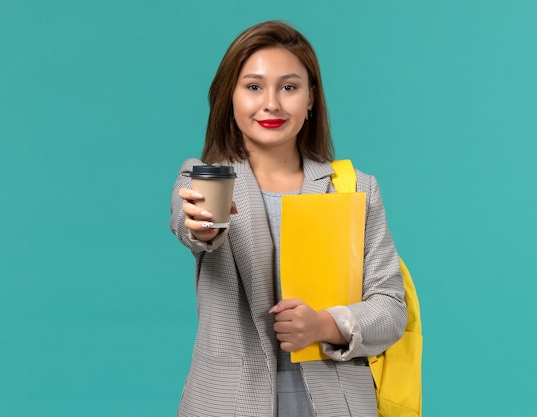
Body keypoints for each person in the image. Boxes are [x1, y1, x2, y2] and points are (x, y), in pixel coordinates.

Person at [170, 20, 406, 417]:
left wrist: (324, 325)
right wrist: (203, 225)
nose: (272, 103)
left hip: (335, 403)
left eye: (290, 87)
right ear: (230, 96)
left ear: (311, 98)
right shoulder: (204, 178)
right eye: (254, 86)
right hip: (229, 402)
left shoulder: (355, 189)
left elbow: (391, 308)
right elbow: (191, 223)